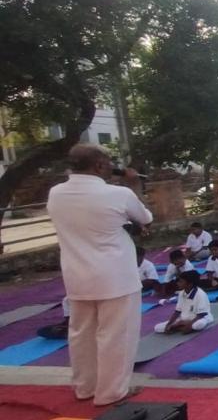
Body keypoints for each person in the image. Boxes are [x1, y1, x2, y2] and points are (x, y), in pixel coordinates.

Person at [46, 143, 153, 405]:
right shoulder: (118, 194)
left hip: (77, 276)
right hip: (115, 277)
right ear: (99, 166)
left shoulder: (56, 193)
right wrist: (134, 184)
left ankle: (85, 387)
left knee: (81, 334)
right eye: (107, 163)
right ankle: (111, 392)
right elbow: (146, 217)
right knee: (116, 335)